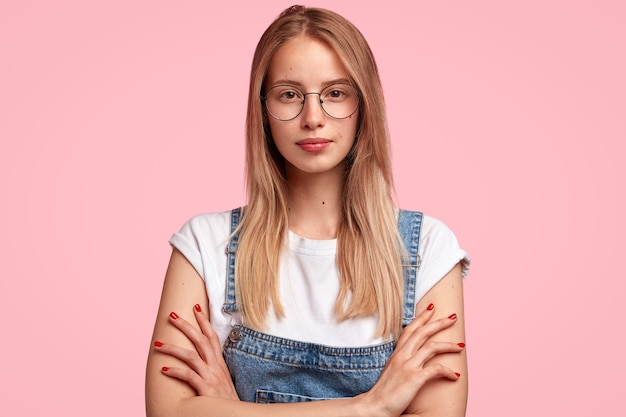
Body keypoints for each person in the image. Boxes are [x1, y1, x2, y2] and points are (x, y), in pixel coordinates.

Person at [145, 5, 470, 417]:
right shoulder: (204, 246)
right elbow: (167, 413)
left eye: (335, 93)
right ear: (263, 111)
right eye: (289, 94)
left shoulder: (427, 249)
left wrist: (229, 410)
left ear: (363, 105)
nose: (313, 118)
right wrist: (371, 407)